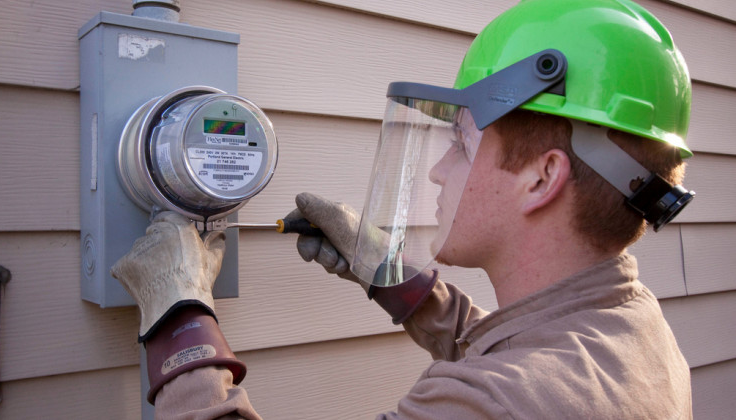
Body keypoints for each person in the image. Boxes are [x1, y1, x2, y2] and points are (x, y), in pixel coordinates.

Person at [111, 0, 695, 418]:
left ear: (542, 177)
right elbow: (522, 351)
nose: (439, 170)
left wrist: (179, 316)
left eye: (461, 144)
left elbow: (505, 390)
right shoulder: (632, 326)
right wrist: (403, 284)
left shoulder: (492, 402)